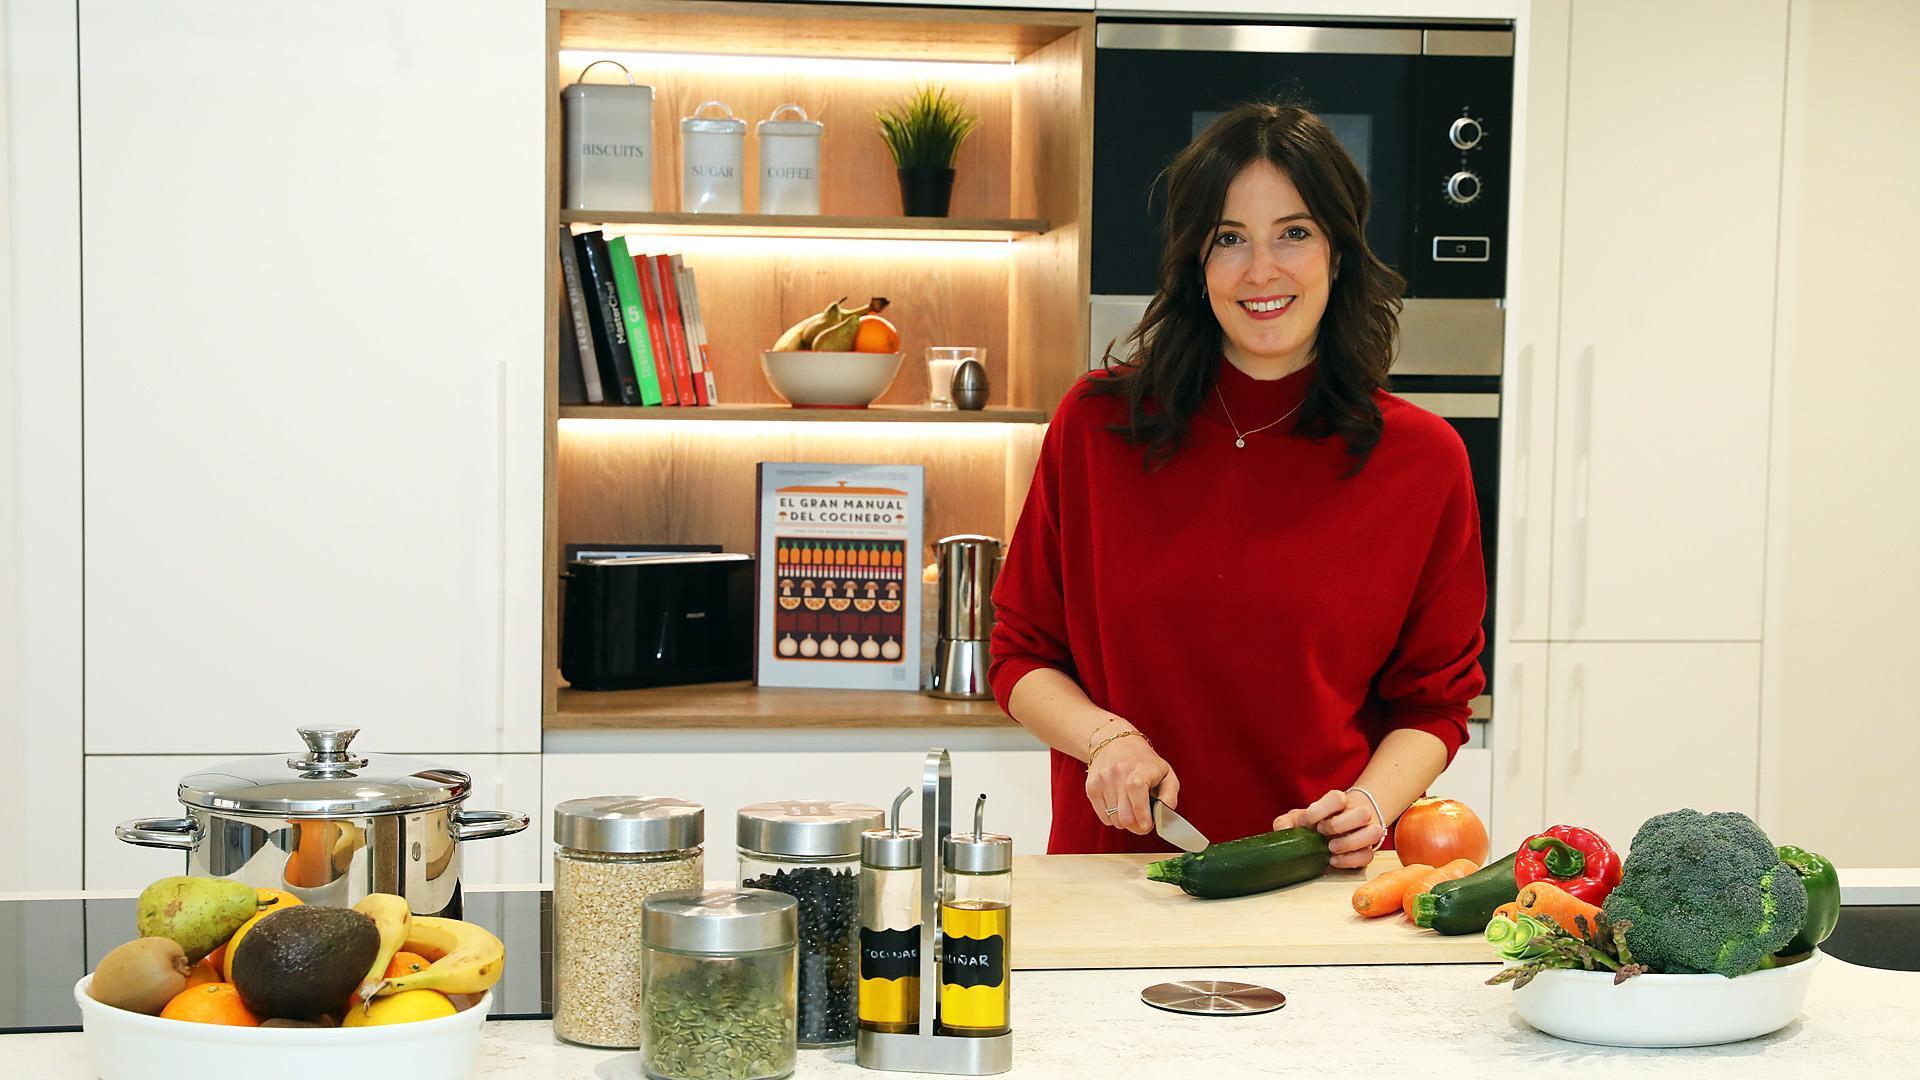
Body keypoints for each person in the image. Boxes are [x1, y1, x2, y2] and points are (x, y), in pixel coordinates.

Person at [987, 102, 1486, 869]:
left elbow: (1436, 703)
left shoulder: (1423, 460)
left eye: (1294, 233)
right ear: (1195, 262)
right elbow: (1020, 655)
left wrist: (1372, 805)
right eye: (1229, 239)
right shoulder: (1095, 427)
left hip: (1317, 884)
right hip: (1115, 877)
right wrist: (1107, 740)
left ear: (1339, 252)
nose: (1262, 270)